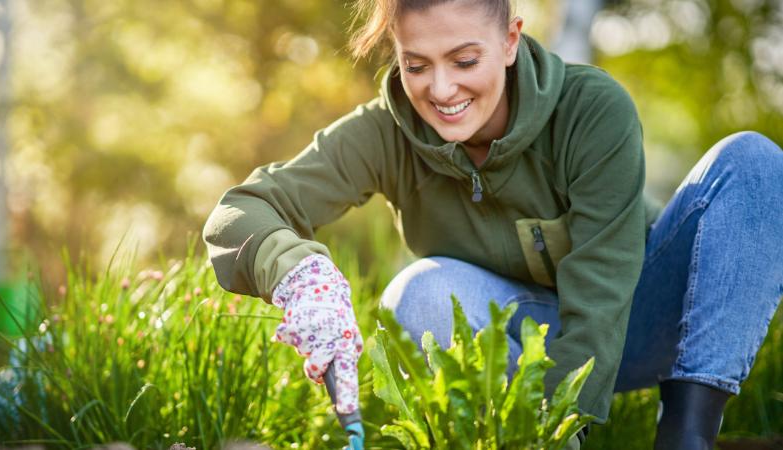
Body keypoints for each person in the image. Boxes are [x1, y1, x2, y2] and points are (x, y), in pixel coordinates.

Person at [201, 0, 783, 448]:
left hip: (641, 315)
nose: (441, 89)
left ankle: (685, 432)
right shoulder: (385, 132)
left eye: (464, 60)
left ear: (509, 40)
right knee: (420, 291)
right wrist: (299, 273)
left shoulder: (590, 109)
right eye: (416, 65)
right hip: (518, 341)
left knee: (754, 161)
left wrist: (566, 428)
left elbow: (603, 287)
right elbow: (238, 211)